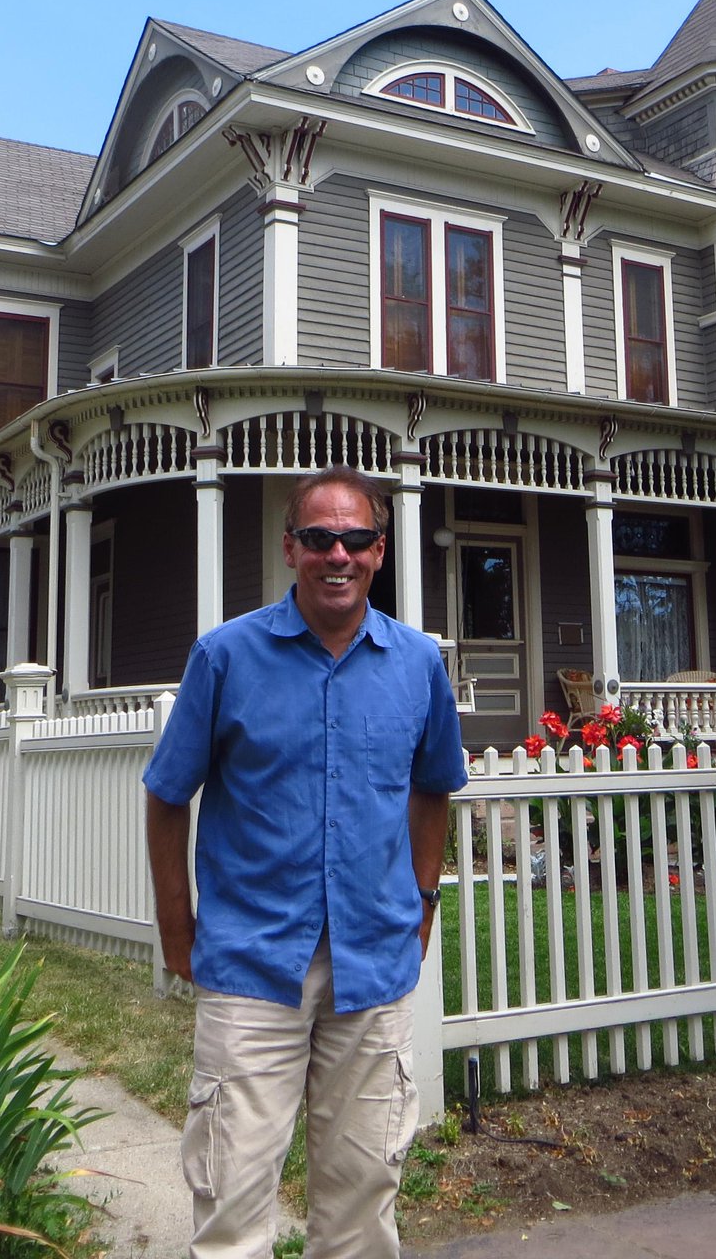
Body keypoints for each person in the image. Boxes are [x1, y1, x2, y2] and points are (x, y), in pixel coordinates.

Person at [143, 464, 467, 1259]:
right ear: (290, 547)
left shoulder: (418, 665)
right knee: (233, 1195)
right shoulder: (226, 657)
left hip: (375, 964)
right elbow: (166, 795)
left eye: (356, 540)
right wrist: (177, 930)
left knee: (363, 1198)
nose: (338, 556)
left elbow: (434, 792)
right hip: (253, 965)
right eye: (319, 538)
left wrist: (425, 902)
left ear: (380, 552)